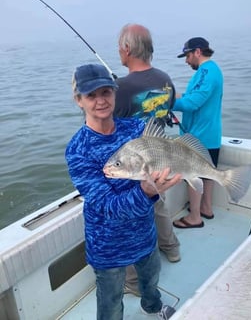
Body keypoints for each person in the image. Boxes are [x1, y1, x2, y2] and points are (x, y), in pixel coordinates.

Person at [65, 63, 182, 320]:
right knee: (110, 303)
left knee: (151, 281)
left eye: (106, 92)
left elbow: (164, 154)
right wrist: (147, 189)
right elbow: (107, 207)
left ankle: (152, 308)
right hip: (107, 246)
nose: (100, 101)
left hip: (145, 232)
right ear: (79, 101)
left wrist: (172, 167)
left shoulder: (135, 129)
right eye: (91, 95)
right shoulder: (78, 150)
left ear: (115, 94)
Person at [114, 23, 181, 295]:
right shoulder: (165, 78)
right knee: (159, 203)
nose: (119, 51)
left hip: (135, 162)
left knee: (133, 221)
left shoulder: (120, 87)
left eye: (120, 46)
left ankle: (134, 282)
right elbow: (170, 108)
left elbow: (106, 125)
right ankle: (172, 248)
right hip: (162, 158)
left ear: (127, 49)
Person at [172, 37, 223, 229]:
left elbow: (193, 103)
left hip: (199, 137)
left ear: (198, 52)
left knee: (193, 176)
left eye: (187, 55)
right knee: (208, 174)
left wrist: (166, 103)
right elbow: (196, 97)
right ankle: (206, 209)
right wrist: (177, 96)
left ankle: (195, 217)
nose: (186, 61)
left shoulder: (207, 71)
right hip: (210, 135)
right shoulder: (211, 71)